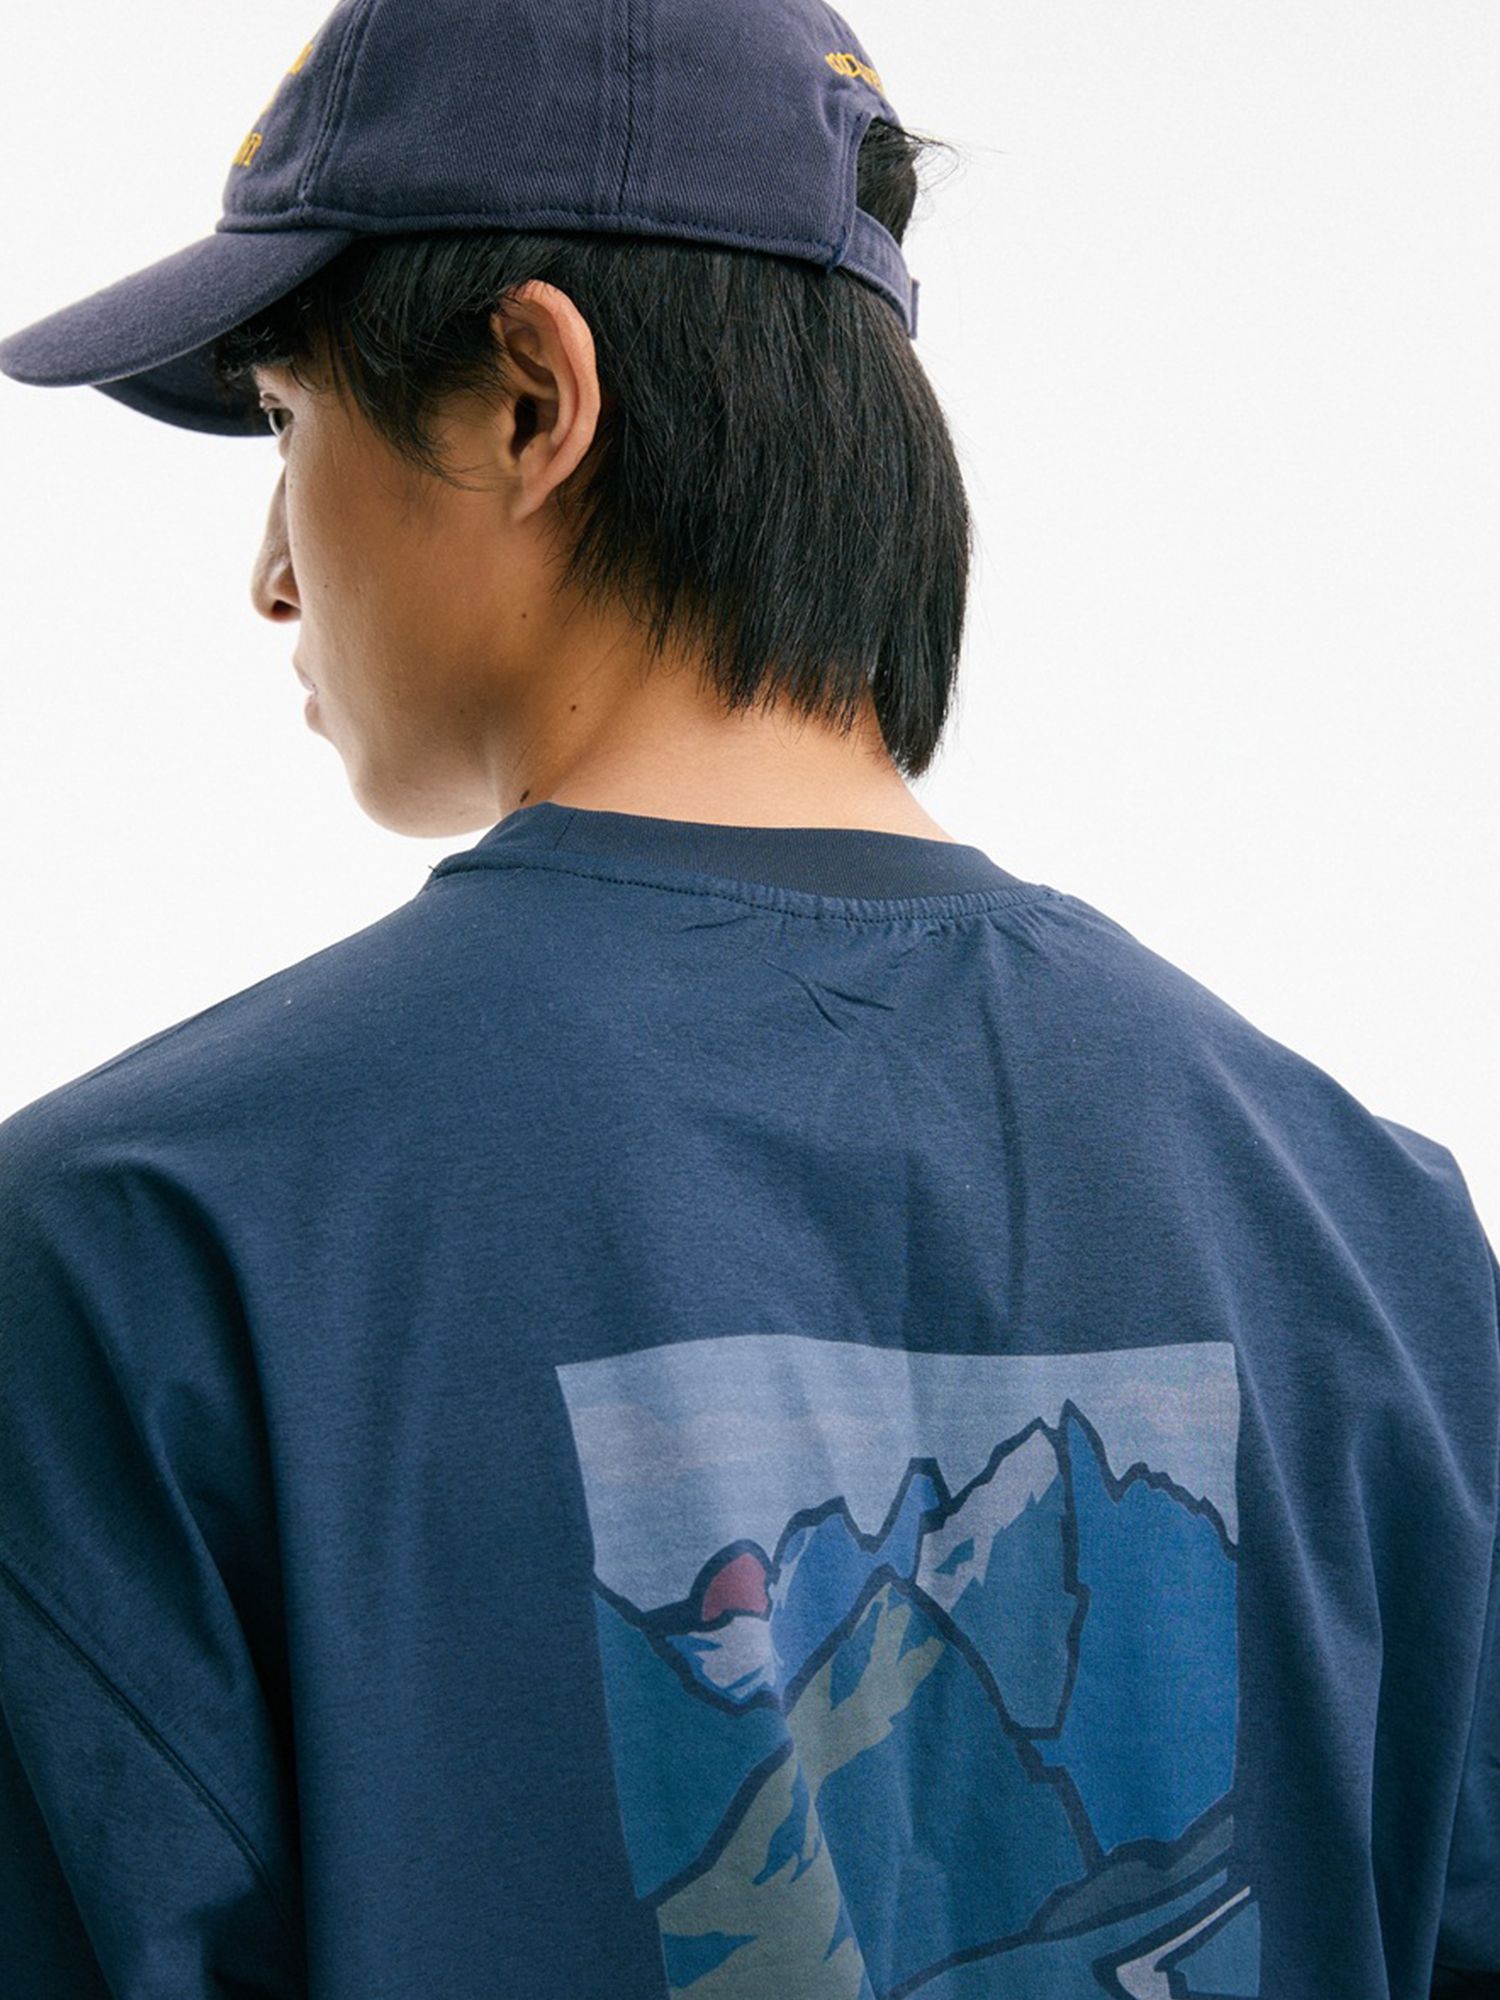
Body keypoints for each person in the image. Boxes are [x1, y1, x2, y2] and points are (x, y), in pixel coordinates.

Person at [0, 2, 1494, 1996]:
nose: (272, 571)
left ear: (531, 396)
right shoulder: (1382, 1246)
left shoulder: (144, 1248)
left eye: (286, 421)